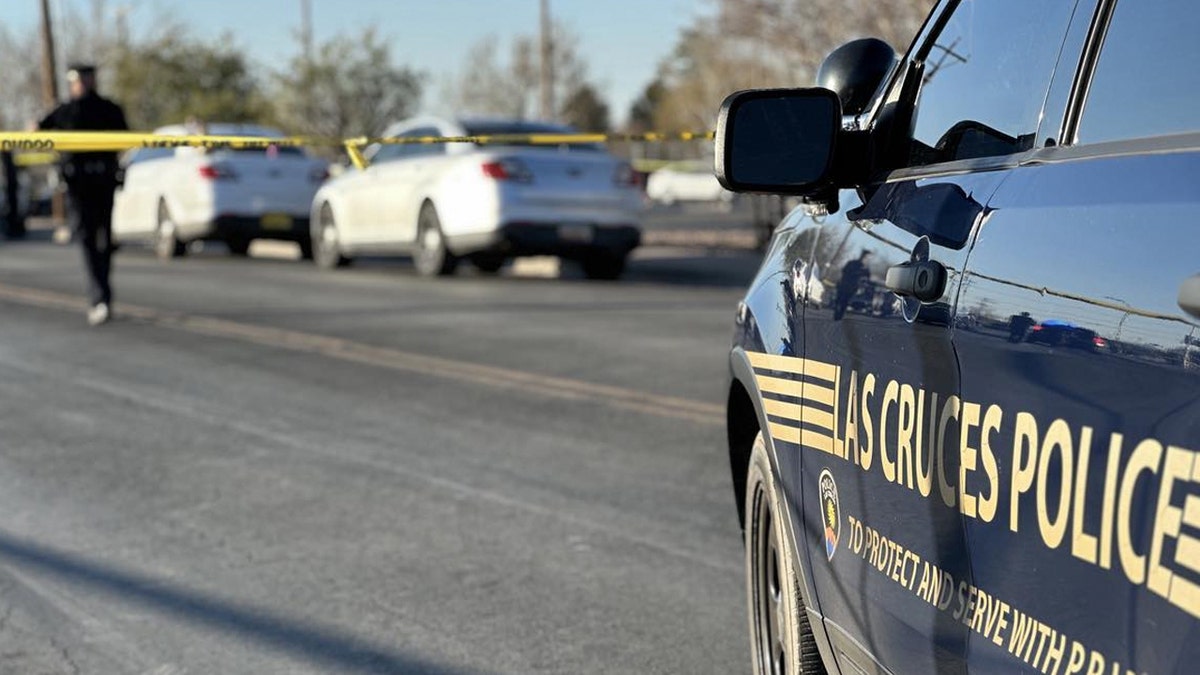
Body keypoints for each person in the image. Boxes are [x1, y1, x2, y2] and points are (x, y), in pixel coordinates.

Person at [35, 63, 128, 326]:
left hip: (103, 181)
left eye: (87, 79)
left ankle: (102, 295)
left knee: (104, 241)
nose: (83, 85)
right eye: (79, 80)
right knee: (87, 239)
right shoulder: (64, 111)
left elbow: (126, 138)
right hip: (78, 185)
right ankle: (99, 297)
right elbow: (36, 131)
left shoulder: (108, 109)